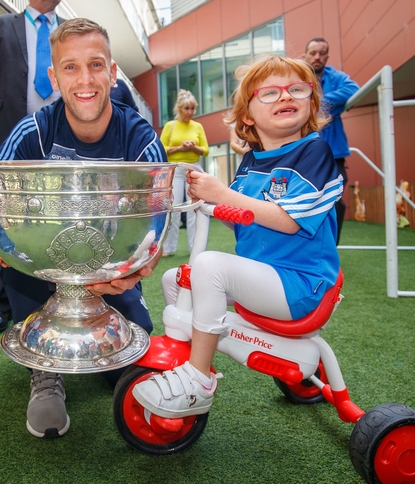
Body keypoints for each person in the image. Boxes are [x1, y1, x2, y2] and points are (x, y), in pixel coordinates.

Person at [0, 17, 167, 439]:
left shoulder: (140, 139)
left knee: (134, 348)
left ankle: (113, 343)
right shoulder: (30, 133)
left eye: (96, 65)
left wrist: (133, 270)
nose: (85, 79)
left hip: (108, 272)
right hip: (43, 273)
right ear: (53, 77)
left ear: (113, 73)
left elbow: (156, 225)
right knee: (20, 271)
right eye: (70, 67)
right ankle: (44, 370)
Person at [132, 55, 342, 419]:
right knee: (175, 280)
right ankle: (198, 358)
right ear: (247, 115)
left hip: (301, 284)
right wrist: (208, 200)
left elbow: (290, 221)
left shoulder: (314, 152)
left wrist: (222, 194)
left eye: (296, 89)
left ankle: (198, 379)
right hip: (264, 278)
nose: (285, 97)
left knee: (209, 265)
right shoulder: (251, 161)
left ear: (310, 103)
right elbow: (247, 219)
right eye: (270, 92)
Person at [0, 0, 62, 336]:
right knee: (2, 217)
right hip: (8, 135)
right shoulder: (0, 25)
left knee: (55, 213)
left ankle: (56, 290)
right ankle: (0, 304)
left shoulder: (69, 26)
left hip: (57, 139)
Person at [305, 38, 359, 245]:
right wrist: (336, 106)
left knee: (336, 201)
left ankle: (330, 248)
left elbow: (353, 89)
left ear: (327, 56)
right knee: (306, 197)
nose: (317, 57)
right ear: (306, 55)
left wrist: (320, 104)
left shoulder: (334, 76)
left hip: (333, 152)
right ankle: (307, 246)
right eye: (313, 52)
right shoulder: (299, 76)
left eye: (322, 53)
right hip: (304, 149)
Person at [160, 90, 209, 257]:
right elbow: (162, 149)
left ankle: (194, 247)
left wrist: (193, 147)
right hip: (175, 169)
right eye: (186, 108)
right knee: (173, 208)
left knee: (194, 210)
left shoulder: (198, 126)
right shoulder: (170, 126)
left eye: (193, 108)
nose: (190, 112)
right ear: (179, 109)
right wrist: (180, 148)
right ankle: (168, 248)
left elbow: (206, 150)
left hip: (194, 168)